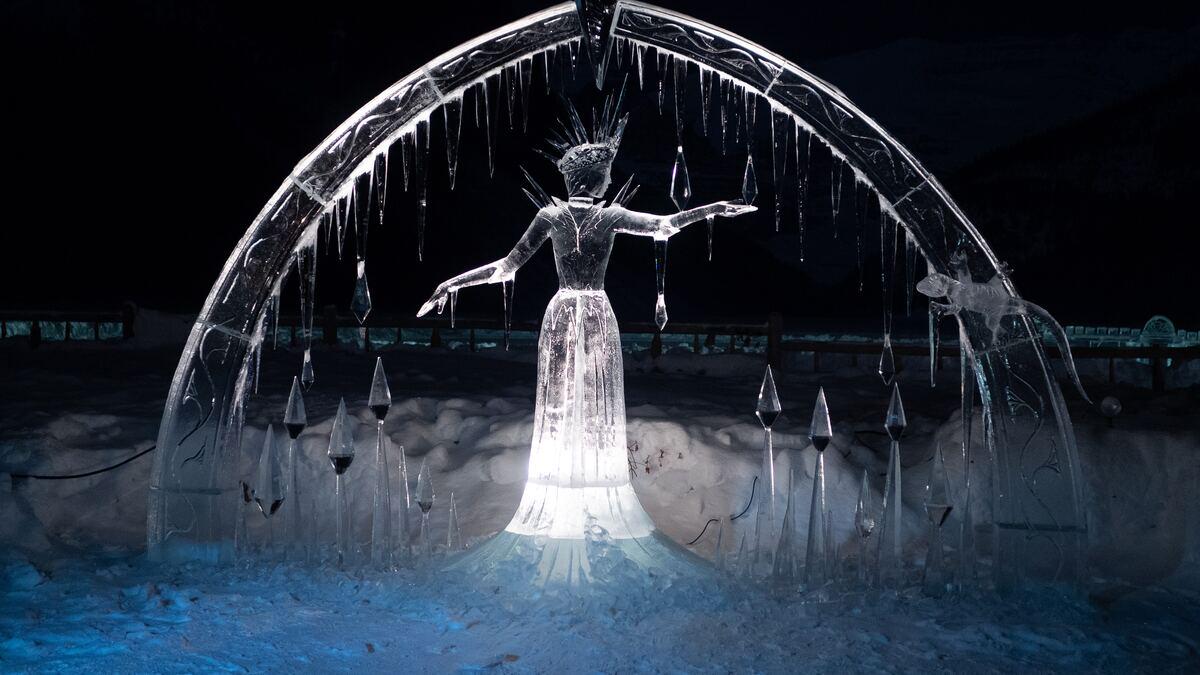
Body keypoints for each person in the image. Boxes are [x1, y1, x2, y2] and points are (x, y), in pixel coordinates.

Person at [417, 93, 755, 552]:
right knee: (564, 399)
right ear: (596, 176)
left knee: (588, 397)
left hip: (574, 311)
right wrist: (711, 209)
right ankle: (568, 498)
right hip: (590, 310)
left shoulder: (560, 215)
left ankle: (589, 494)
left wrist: (452, 283)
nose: (611, 178)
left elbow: (506, 267)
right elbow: (667, 225)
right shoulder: (591, 215)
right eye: (608, 172)